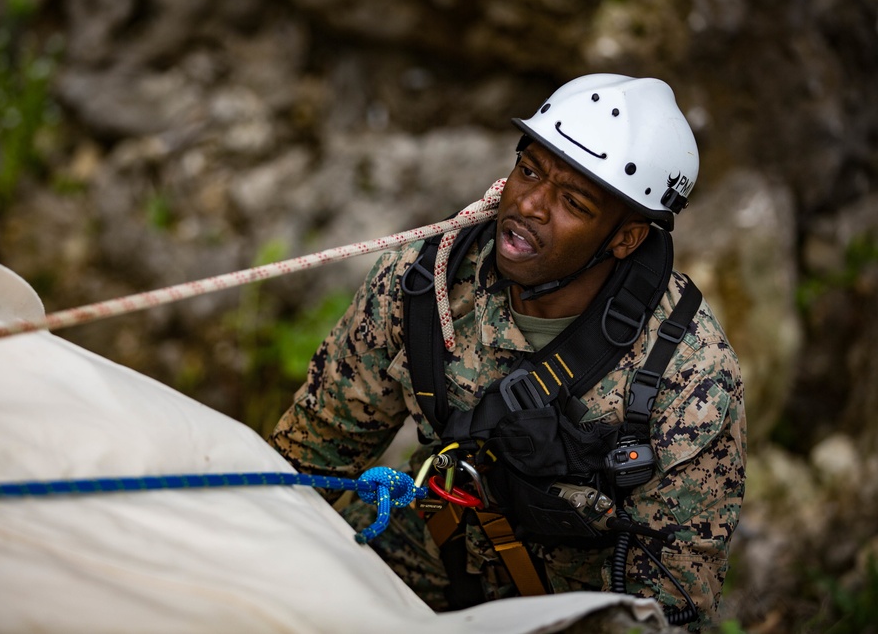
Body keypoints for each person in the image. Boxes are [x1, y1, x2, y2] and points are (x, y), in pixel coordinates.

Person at [268, 73, 746, 631]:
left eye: (573, 201)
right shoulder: (425, 287)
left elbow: (668, 610)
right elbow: (310, 461)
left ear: (626, 239)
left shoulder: (688, 379)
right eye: (529, 171)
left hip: (574, 613)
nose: (530, 205)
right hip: (430, 552)